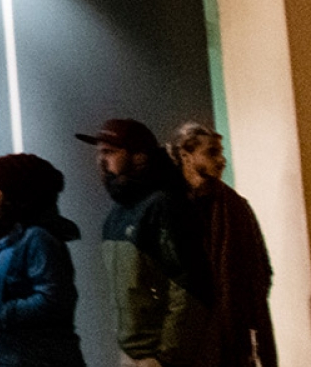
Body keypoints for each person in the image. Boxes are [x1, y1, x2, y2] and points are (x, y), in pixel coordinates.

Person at [79, 118, 212, 367]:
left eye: (109, 152)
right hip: (133, 356)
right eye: (99, 153)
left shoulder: (164, 205)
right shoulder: (116, 215)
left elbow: (190, 285)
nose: (101, 161)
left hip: (161, 358)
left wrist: (165, 357)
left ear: (140, 157)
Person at [0, 153, 85, 367]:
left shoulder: (38, 239)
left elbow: (55, 301)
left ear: (14, 194)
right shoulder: (5, 240)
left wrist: (1, 312)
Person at [172, 123, 277, 367]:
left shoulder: (237, 208)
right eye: (211, 153)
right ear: (186, 156)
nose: (222, 160)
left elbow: (262, 272)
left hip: (231, 343)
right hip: (188, 344)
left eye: (220, 152)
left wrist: (242, 317)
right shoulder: (169, 208)